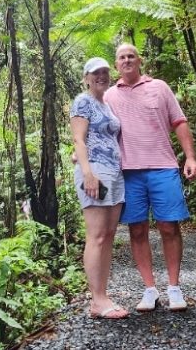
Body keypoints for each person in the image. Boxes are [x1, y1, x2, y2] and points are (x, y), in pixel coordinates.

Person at [104, 43, 196, 312]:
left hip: (163, 167)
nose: (126, 60)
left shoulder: (160, 87)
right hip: (128, 172)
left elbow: (179, 121)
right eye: (121, 57)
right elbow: (99, 129)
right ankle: (149, 289)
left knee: (169, 226)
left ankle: (174, 287)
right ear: (116, 64)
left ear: (140, 60)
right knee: (137, 229)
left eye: (131, 56)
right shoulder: (110, 95)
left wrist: (190, 157)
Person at [69, 57, 129, 319]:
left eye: (105, 72)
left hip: (113, 174)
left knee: (108, 235)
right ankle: (97, 300)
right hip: (95, 172)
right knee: (97, 235)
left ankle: (102, 296)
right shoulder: (83, 101)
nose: (101, 76)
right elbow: (78, 140)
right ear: (86, 77)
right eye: (96, 73)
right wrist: (88, 174)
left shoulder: (106, 105)